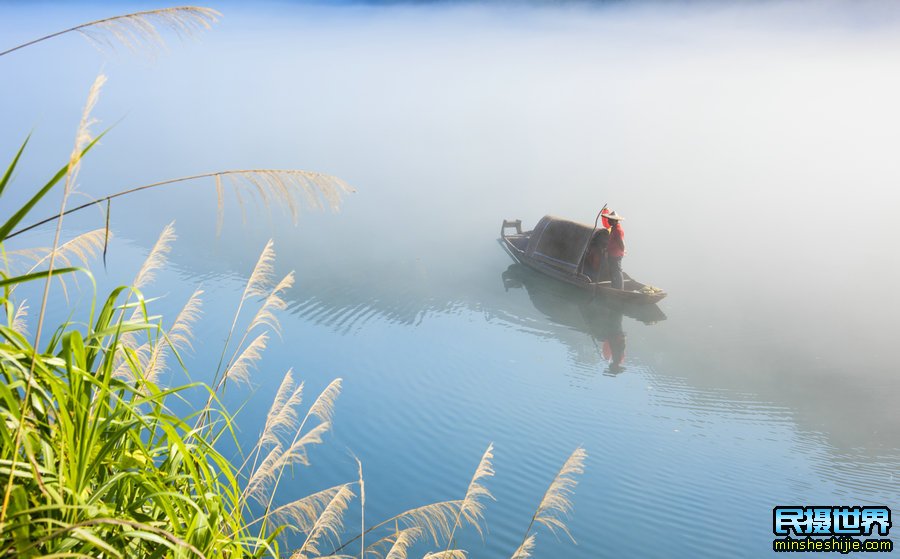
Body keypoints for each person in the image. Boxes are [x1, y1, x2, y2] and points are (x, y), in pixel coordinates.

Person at [605, 210, 625, 289]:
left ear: (615, 221)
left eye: (610, 220)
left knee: (617, 272)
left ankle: (620, 289)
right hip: (612, 254)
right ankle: (614, 287)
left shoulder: (618, 230)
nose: (608, 221)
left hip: (616, 255)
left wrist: (620, 252)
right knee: (613, 272)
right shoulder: (613, 228)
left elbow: (622, 245)